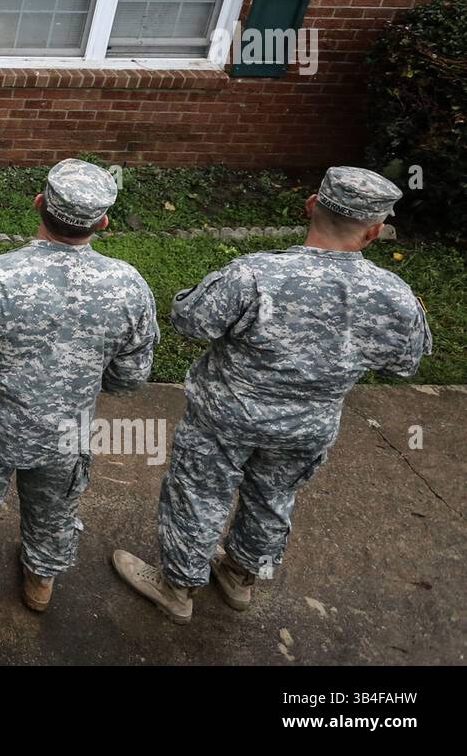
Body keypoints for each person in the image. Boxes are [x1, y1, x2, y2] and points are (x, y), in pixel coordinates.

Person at [112, 167, 433, 625]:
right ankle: (241, 577)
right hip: (308, 425)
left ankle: (177, 586)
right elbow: (404, 363)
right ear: (376, 231)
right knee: (274, 498)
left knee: (199, 494)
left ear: (310, 205)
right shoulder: (394, 296)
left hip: (227, 416)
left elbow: (190, 322)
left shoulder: (254, 274)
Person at [0, 159, 159, 633]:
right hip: (66, 433)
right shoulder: (129, 286)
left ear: (39, 204)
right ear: (102, 222)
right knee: (55, 507)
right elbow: (130, 377)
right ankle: (40, 581)